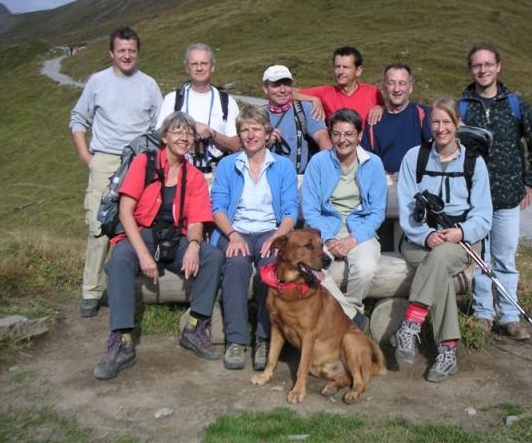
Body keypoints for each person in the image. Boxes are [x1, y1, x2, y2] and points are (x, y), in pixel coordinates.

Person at [93, 112, 224, 380]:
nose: (184, 137)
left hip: (175, 239)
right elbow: (125, 211)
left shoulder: (194, 176)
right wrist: (143, 254)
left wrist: (194, 245)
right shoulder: (144, 163)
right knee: (119, 260)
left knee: (212, 257)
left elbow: (197, 219)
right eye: (177, 131)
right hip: (140, 235)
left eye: (189, 133)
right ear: (164, 137)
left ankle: (195, 327)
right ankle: (121, 339)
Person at [393, 96, 492, 382]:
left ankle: (410, 324)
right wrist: (426, 235)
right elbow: (407, 208)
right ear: (428, 124)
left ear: (458, 123)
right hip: (419, 242)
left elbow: (484, 215)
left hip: (462, 242)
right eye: (435, 122)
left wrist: (462, 232)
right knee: (440, 271)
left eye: (447, 122)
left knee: (439, 261)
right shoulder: (415, 157)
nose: (441, 128)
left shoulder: (474, 162)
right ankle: (448, 352)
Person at [69, 27, 163, 318]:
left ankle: (129, 288)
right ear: (112, 52)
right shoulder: (97, 82)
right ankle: (91, 291)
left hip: (139, 162)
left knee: (138, 223)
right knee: (99, 226)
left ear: (138, 52)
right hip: (106, 160)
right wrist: (87, 157)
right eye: (121, 50)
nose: (127, 55)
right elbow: (78, 118)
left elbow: (159, 126)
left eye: (132, 50)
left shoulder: (149, 84)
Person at [461, 43, 532, 340]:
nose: (483, 70)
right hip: (473, 199)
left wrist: (530, 180)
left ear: (498, 67)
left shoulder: (515, 105)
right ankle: (483, 315)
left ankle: (509, 316)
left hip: (508, 198)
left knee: (505, 259)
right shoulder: (462, 108)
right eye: (477, 65)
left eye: (488, 64)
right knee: (479, 259)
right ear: (471, 69)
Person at [210, 105, 298, 371]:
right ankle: (236, 340)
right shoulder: (228, 165)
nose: (250, 135)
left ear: (267, 133)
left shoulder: (282, 166)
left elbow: (290, 211)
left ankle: (263, 337)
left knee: (269, 267)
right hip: (236, 230)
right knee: (236, 264)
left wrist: (278, 236)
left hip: (270, 230)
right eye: (244, 130)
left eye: (256, 129)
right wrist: (233, 235)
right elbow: (218, 207)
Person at [301, 108, 387, 330]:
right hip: (324, 232)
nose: (342, 140)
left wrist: (353, 239)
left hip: (359, 230)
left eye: (349, 134)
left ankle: (350, 311)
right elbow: (310, 210)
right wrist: (329, 239)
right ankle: (353, 319)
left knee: (366, 267)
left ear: (359, 136)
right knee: (310, 268)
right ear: (330, 135)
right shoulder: (318, 162)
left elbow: (377, 210)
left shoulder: (373, 163)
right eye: (337, 134)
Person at [157, 43, 240, 171]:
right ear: (187, 68)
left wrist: (212, 134)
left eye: (204, 63)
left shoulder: (227, 102)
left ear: (212, 67)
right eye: (194, 64)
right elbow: (160, 135)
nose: (199, 68)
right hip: (179, 171)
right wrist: (191, 127)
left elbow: (236, 145)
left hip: (216, 171)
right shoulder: (173, 100)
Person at [361, 63, 431, 173]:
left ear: (410, 88)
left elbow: (437, 148)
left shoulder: (423, 114)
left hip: (417, 178)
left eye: (402, 83)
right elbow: (365, 159)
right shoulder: (374, 120)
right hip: (385, 179)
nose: (396, 89)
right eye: (391, 83)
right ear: (384, 87)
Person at [262, 65, 331, 174]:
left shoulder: (306, 109)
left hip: (300, 179)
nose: (283, 90)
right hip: (266, 178)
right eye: (276, 85)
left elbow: (323, 140)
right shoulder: (258, 115)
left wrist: (331, 169)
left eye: (287, 84)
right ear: (265, 89)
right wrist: (266, 143)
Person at [295, 46, 384, 129]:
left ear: (358, 70)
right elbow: (289, 92)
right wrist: (313, 99)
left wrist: (381, 108)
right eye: (337, 67)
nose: (340, 72)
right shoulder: (325, 92)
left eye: (345, 67)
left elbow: (388, 113)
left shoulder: (373, 92)